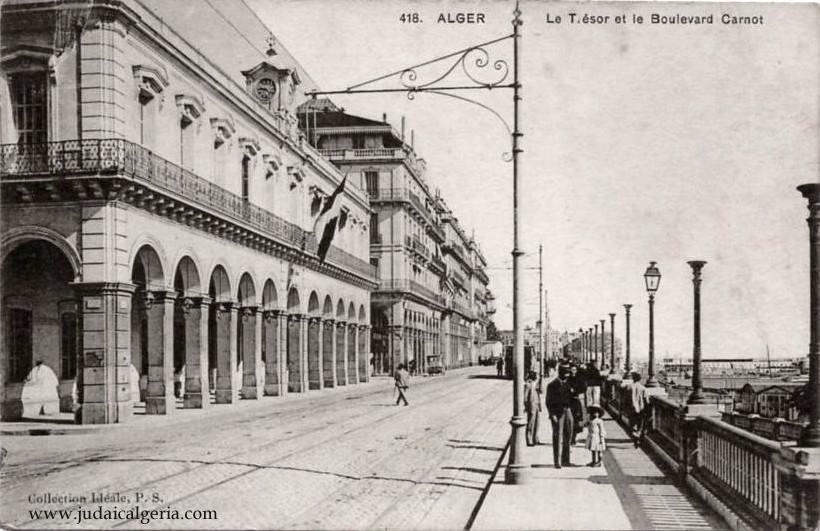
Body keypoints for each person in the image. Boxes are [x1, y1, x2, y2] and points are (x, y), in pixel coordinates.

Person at [546, 367, 575, 468]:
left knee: (568, 435)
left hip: (568, 411)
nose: (568, 376)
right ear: (562, 373)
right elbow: (548, 402)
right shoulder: (552, 385)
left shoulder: (568, 383)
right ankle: (557, 461)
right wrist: (552, 414)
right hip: (558, 413)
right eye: (566, 374)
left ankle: (566, 460)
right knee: (558, 436)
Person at [567, 364, 588, 444]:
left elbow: (583, 388)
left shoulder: (579, 379)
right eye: (572, 369)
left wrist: (575, 390)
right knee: (569, 420)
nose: (573, 371)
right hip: (569, 401)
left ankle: (573, 438)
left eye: (574, 370)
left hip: (576, 401)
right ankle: (570, 437)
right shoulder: (568, 379)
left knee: (576, 420)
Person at [630, 372, 649, 447]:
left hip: (631, 409)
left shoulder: (629, 387)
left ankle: (634, 434)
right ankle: (637, 435)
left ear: (633, 378)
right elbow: (646, 401)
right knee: (640, 424)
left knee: (632, 424)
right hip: (641, 409)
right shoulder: (643, 388)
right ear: (640, 379)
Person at [524, 371, 542, 446]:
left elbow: (540, 392)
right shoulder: (528, 384)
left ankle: (535, 438)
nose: (537, 377)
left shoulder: (536, 384)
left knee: (537, 422)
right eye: (536, 375)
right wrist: (526, 406)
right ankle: (529, 439)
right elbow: (525, 397)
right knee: (531, 422)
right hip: (531, 405)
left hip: (537, 404)